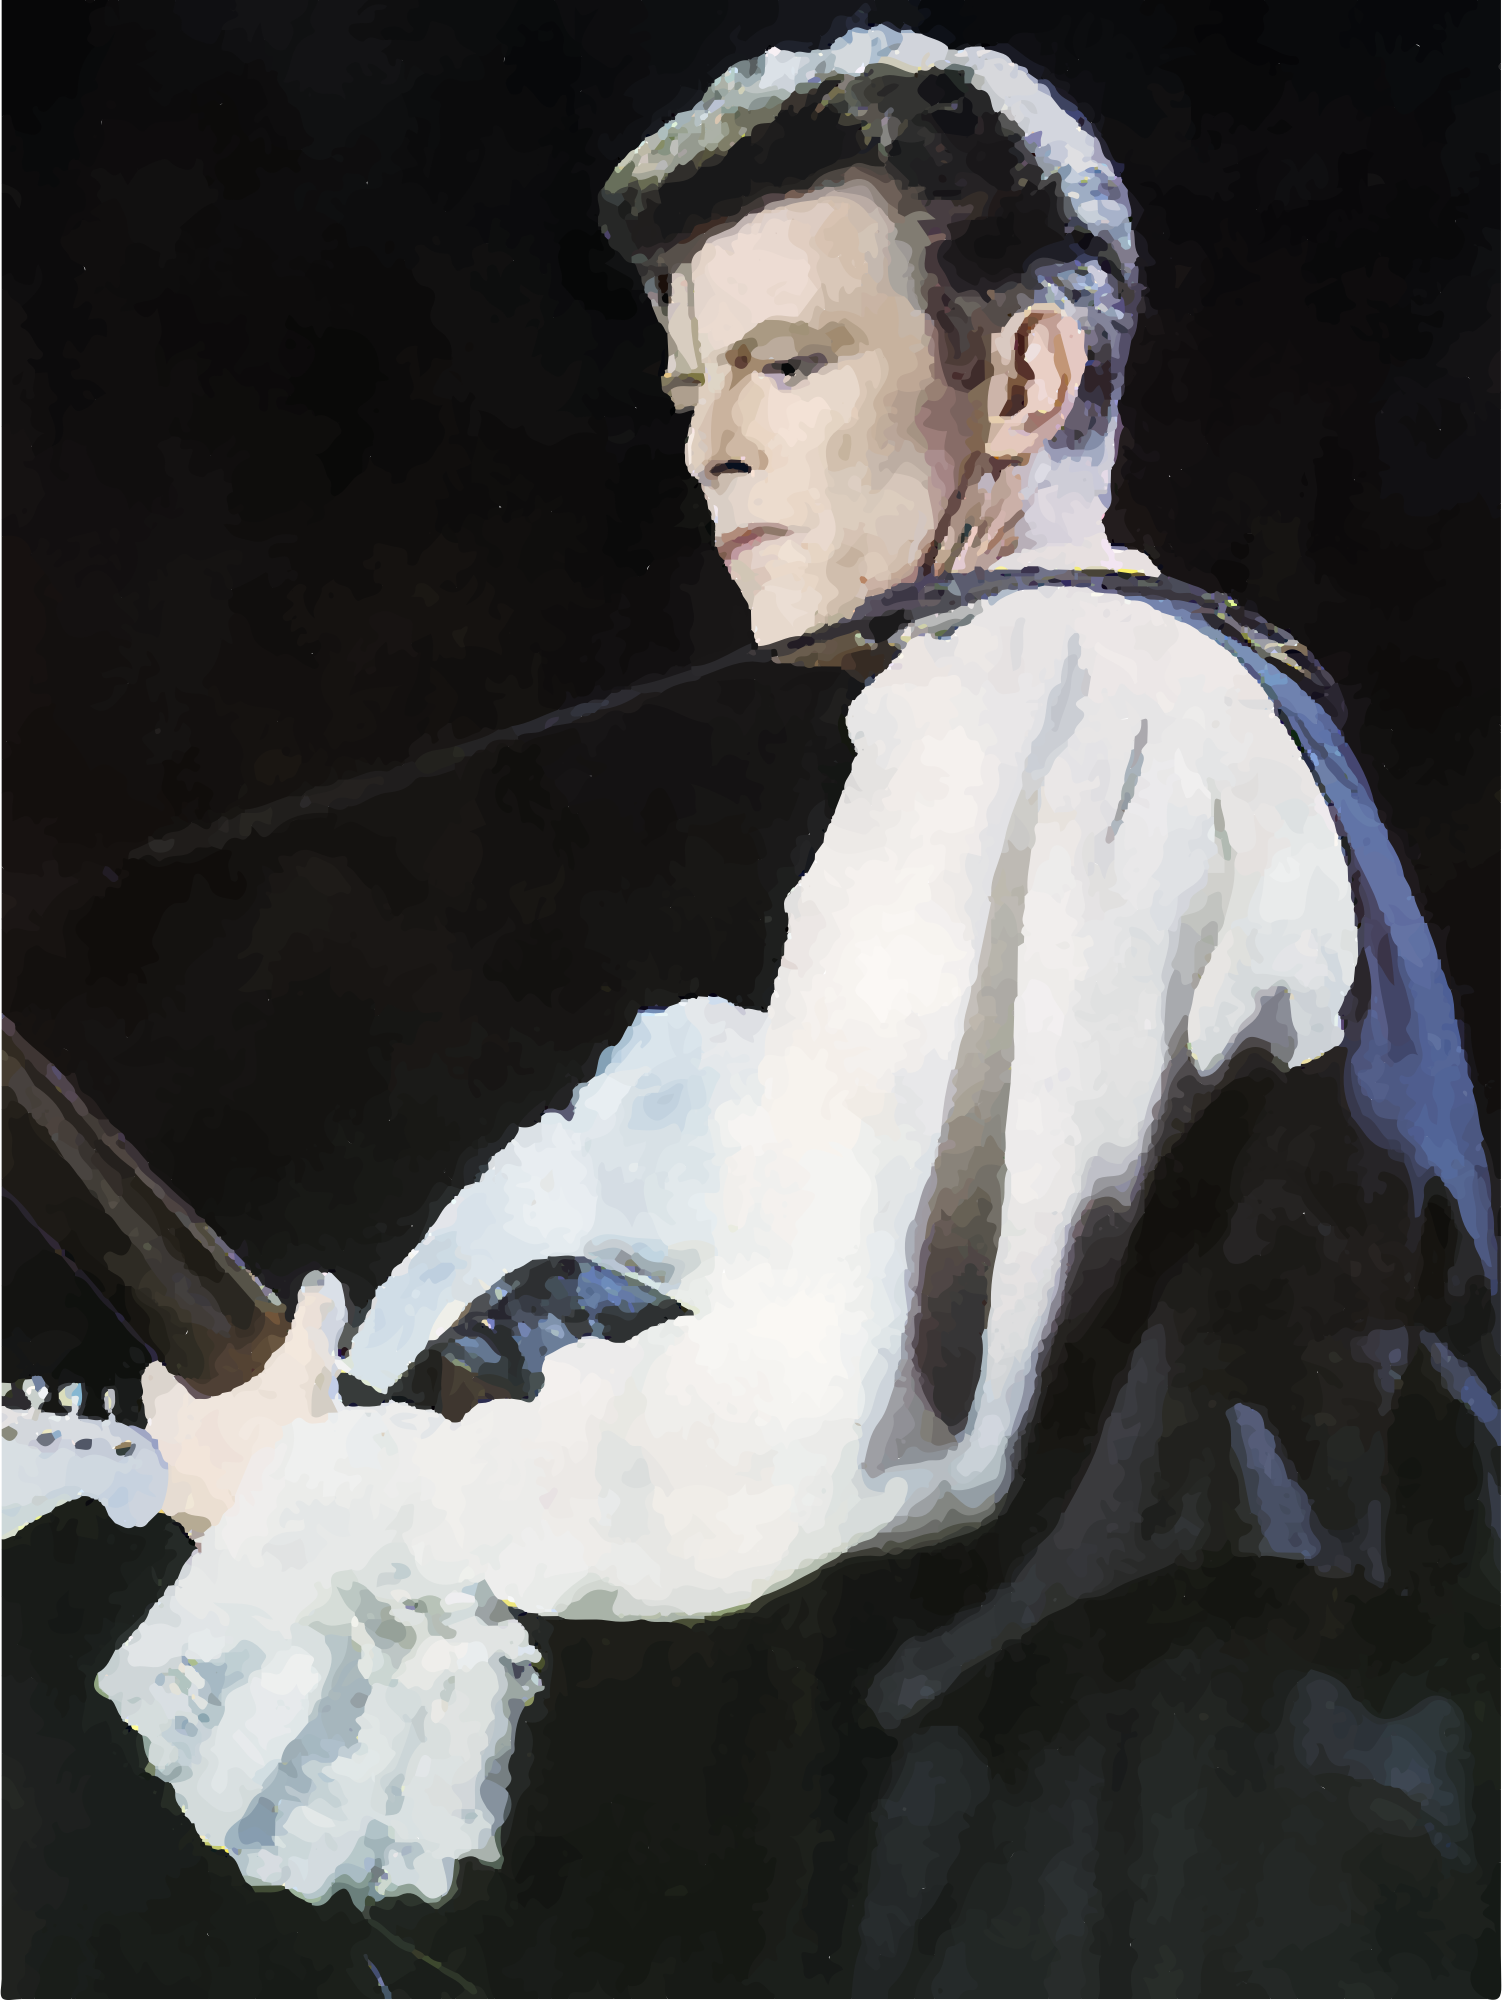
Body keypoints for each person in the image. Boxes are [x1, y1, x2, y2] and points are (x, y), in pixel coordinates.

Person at [99, 27, 1496, 1994]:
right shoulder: (1165, 689)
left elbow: (838, 1409)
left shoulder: (1042, 694)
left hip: (1167, 1851)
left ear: (1023, 380)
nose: (709, 445)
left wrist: (338, 1493)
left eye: (788, 362)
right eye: (692, 386)